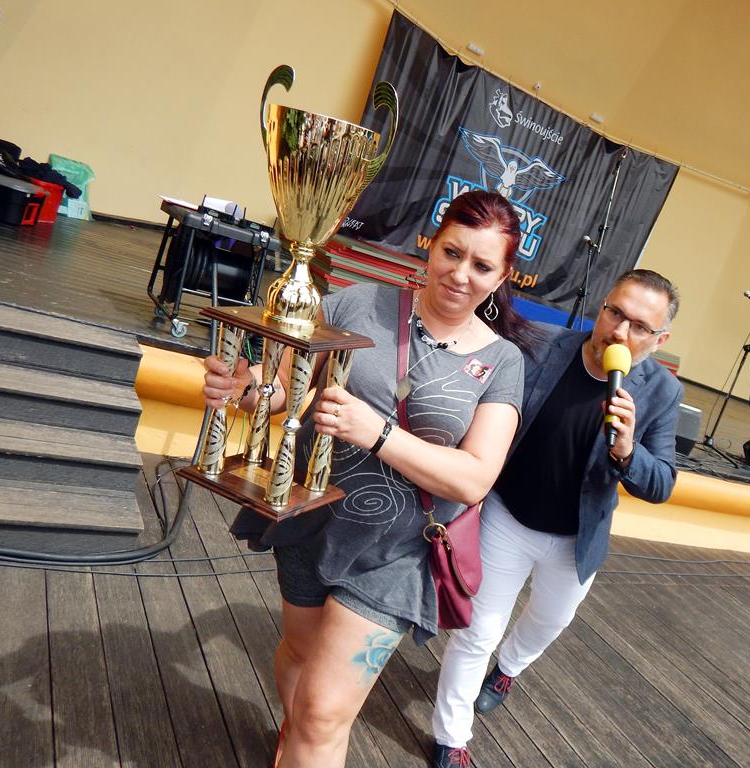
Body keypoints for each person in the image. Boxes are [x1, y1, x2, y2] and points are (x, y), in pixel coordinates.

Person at [202, 191, 533, 768]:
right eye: (452, 253)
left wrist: (378, 433)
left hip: (396, 551)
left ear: (503, 276)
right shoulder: (357, 304)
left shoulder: (503, 362)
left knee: (324, 712)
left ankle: (305, 738)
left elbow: (475, 478)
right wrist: (243, 387)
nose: (461, 274)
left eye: (482, 266)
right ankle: (295, 741)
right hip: (313, 516)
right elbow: (283, 390)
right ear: (431, 246)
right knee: (300, 656)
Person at [431, 269, 683, 767]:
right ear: (602, 306)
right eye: (615, 313)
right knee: (477, 632)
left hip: (576, 538)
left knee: (548, 622)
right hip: (507, 515)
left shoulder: (661, 392)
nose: (619, 332)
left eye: (639, 326)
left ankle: (508, 669)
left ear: (660, 340)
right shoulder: (541, 346)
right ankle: (451, 738)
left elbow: (661, 483)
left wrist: (628, 451)